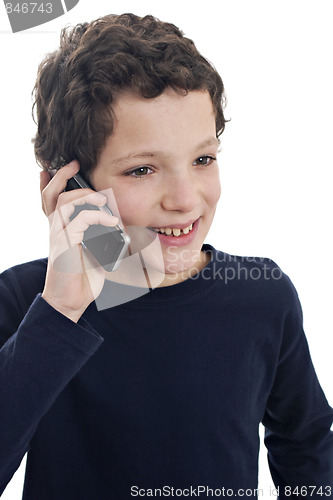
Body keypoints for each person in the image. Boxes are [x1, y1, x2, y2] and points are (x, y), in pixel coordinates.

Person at [0, 12, 332, 500]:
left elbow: (307, 450)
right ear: (67, 185)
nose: (185, 198)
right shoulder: (29, 303)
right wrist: (60, 311)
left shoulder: (263, 296)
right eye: (142, 169)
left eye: (203, 159)